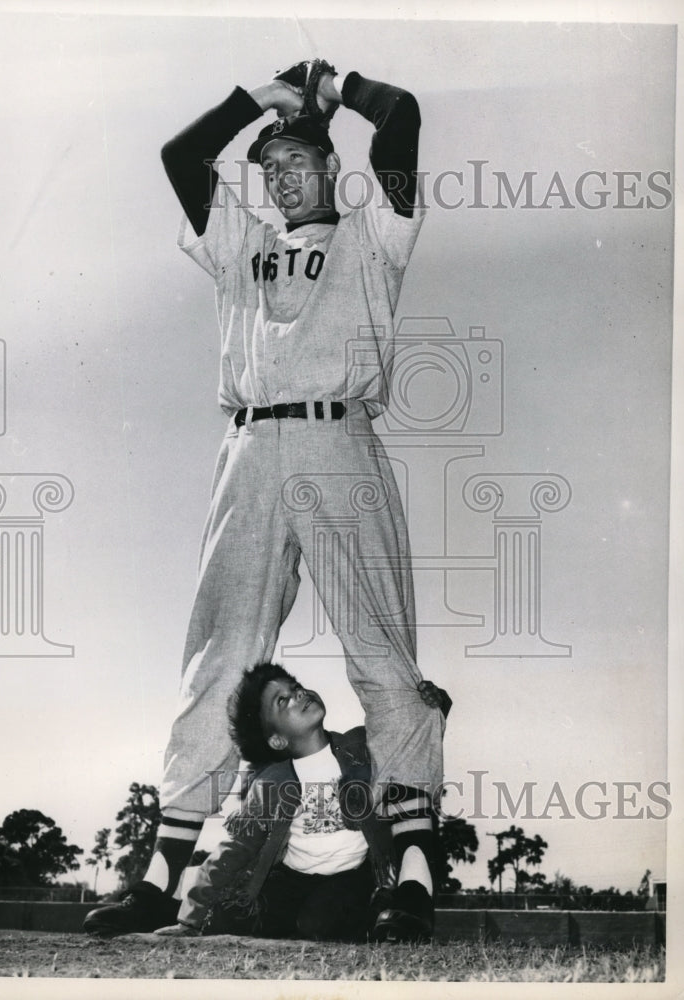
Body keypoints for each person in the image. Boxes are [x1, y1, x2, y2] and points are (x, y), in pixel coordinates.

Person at [84, 59, 451, 941]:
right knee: (220, 655)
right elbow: (180, 157)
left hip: (339, 437)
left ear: (332, 166)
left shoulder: (377, 232)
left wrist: (333, 94)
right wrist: (260, 100)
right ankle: (161, 880)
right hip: (248, 445)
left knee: (381, 652)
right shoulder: (240, 240)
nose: (283, 174)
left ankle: (410, 882)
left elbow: (400, 118)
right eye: (271, 165)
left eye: (299, 159)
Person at [155, 662, 401, 942]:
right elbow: (236, 847)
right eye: (282, 700)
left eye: (295, 688)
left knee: (317, 924)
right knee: (232, 916)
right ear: (276, 741)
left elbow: (407, 734)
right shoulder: (271, 783)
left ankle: (380, 909)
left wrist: (433, 702)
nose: (298, 694)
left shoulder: (361, 746)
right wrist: (192, 917)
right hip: (292, 878)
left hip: (353, 875)